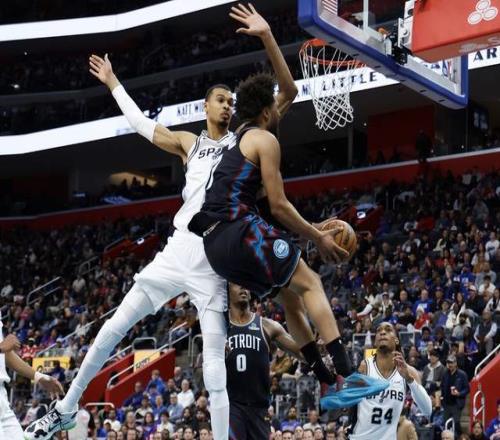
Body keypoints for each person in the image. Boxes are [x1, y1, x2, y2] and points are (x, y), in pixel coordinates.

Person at [24, 5, 298, 440]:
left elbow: (289, 92)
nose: (228, 105)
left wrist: (267, 36)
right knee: (114, 327)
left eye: (232, 101)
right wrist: (113, 83)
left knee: (214, 365)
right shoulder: (188, 142)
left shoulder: (246, 139)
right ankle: (65, 408)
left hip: (215, 257)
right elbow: (140, 124)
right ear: (205, 106)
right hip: (177, 250)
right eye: (221, 99)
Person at [189, 69, 368, 390]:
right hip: (237, 230)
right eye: (274, 105)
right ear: (266, 112)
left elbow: (268, 214)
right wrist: (318, 237)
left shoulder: (238, 141)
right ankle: (350, 375)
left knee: (291, 298)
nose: (278, 108)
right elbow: (279, 206)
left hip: (215, 249)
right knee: (311, 283)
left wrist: (311, 228)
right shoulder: (264, 139)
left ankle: (326, 380)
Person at [226, 283, 303, 439]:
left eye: (245, 283)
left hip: (259, 407)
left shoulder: (267, 325)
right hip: (231, 405)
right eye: (237, 284)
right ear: (227, 292)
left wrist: (317, 347)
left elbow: (301, 351)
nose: (243, 287)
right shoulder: (219, 327)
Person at [348, 323, 432, 439]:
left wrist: (409, 379)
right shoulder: (365, 367)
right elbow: (350, 402)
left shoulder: (409, 371)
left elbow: (427, 410)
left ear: (396, 340)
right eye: (379, 331)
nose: (382, 332)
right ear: (375, 342)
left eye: (388, 330)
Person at [0, 321, 63, 436]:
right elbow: (3, 348)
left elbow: (5, 354)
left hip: (2, 399)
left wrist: (39, 377)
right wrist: (1, 347)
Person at [441, 354, 469, 435]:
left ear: (455, 363)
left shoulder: (462, 374)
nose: (450, 364)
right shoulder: (445, 373)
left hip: (457, 403)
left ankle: (460, 437)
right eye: (448, 363)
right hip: (446, 403)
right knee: (446, 424)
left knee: (456, 424)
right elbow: (442, 386)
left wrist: (459, 393)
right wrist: (442, 397)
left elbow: (467, 389)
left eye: (451, 362)